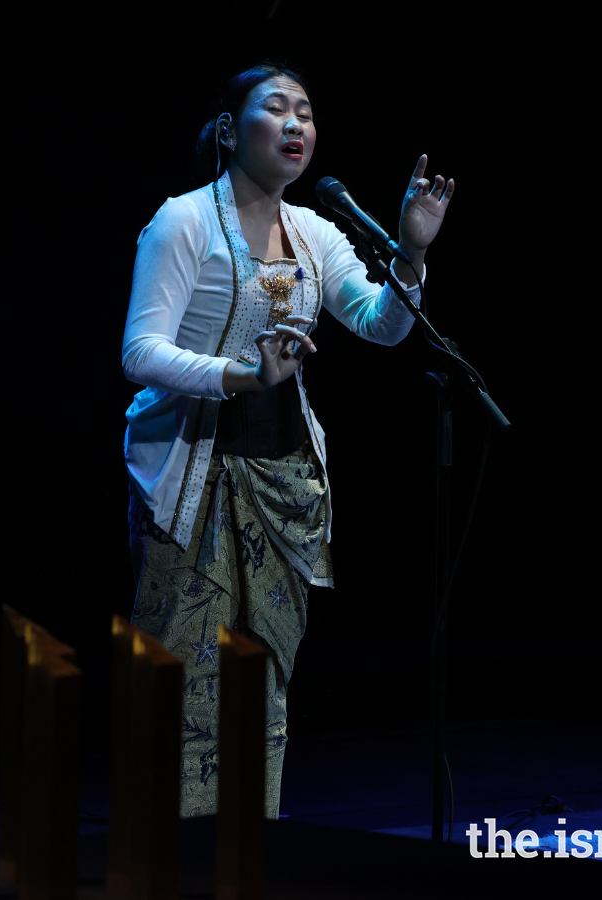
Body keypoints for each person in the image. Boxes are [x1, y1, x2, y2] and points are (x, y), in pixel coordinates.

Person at [121, 62, 454, 818]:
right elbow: (138, 354)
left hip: (280, 487)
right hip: (188, 484)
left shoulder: (312, 230)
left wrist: (411, 255)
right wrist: (242, 374)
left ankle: (253, 842)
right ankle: (175, 851)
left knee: (263, 679)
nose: (298, 123)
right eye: (278, 109)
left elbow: (381, 324)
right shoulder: (182, 222)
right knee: (184, 682)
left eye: (306, 110)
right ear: (233, 131)